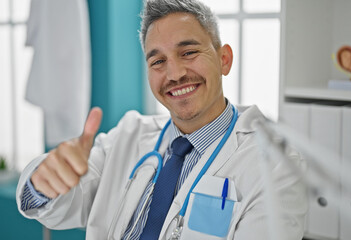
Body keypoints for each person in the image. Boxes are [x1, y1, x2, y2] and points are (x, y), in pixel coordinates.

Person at [16, 0, 307, 239]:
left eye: (189, 52)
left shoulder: (276, 167)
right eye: (158, 61)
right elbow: (63, 205)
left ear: (224, 59)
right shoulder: (127, 136)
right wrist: (44, 182)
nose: (175, 74)